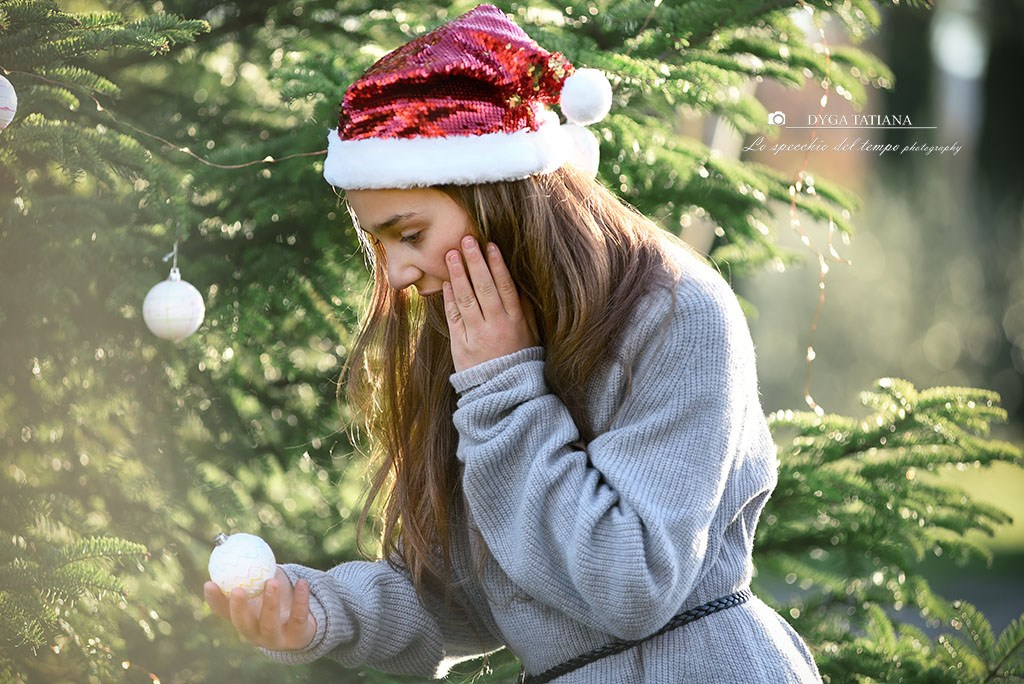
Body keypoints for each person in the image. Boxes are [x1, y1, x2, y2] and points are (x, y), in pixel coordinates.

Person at [203, 4, 823, 682]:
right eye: (377, 243)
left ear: (498, 197)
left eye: (408, 235)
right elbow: (459, 599)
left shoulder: (677, 314)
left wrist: (504, 388)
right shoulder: (471, 341)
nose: (398, 273)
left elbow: (631, 585)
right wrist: (320, 611)